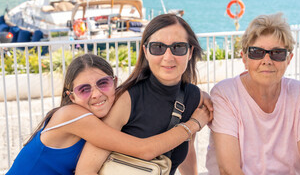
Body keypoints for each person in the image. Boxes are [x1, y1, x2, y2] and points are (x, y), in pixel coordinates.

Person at [6, 53, 210, 175]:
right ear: (72, 96)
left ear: (114, 82)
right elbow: (144, 150)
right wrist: (193, 124)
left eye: (103, 83)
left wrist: (199, 95)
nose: (96, 94)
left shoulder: (101, 113)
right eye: (84, 89)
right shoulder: (72, 115)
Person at [76, 14, 212, 175]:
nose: (168, 57)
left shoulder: (192, 96)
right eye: (158, 47)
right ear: (146, 52)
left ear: (190, 53)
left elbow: (187, 151)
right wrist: (194, 123)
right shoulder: (127, 100)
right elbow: (85, 170)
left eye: (178, 48)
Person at [206, 13, 300, 175]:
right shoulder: (225, 94)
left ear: (288, 59)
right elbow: (228, 170)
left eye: (277, 53)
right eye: (257, 52)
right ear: (244, 58)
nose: (267, 60)